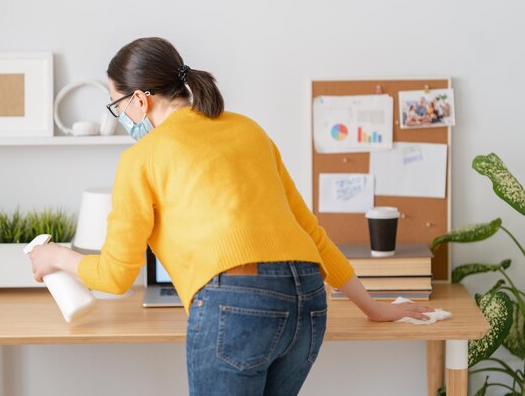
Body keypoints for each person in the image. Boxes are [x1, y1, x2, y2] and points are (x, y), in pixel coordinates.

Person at [29, 37, 435, 396]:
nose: (121, 117)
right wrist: (373, 307)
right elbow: (310, 232)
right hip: (309, 303)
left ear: (140, 99)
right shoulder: (249, 130)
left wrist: (57, 258)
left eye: (118, 104)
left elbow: (116, 276)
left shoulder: (142, 159)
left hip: (237, 303)